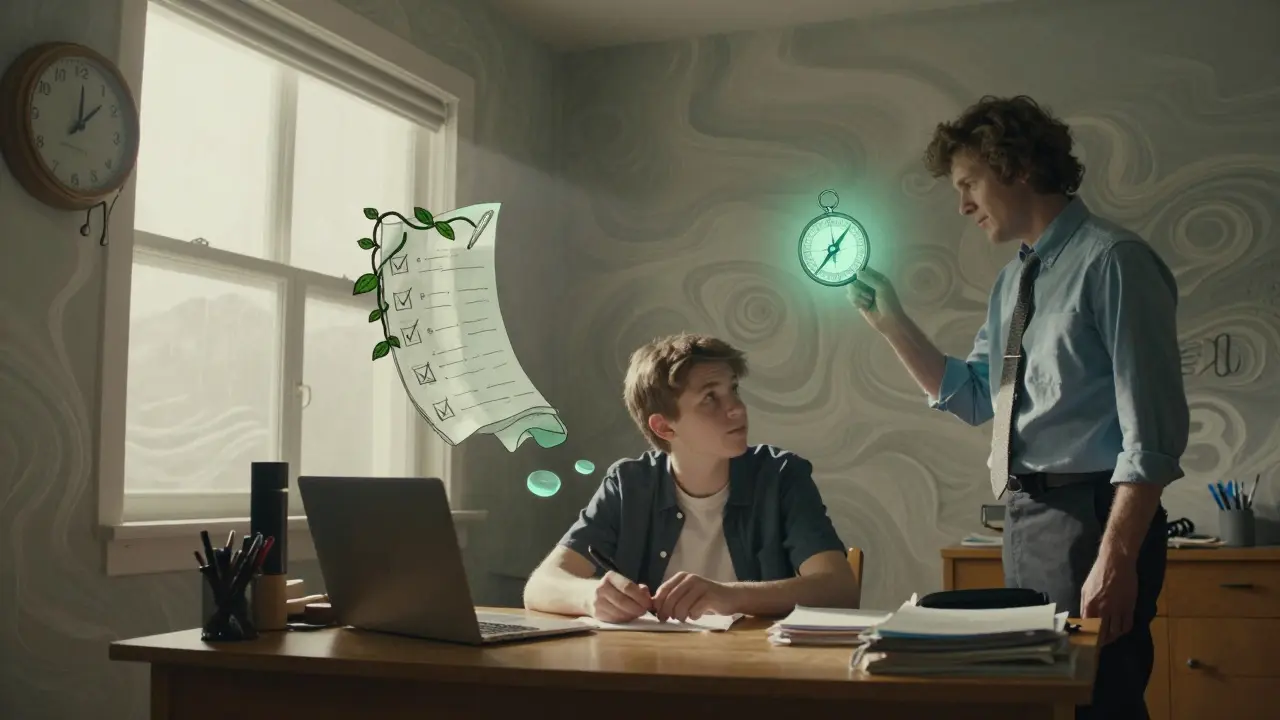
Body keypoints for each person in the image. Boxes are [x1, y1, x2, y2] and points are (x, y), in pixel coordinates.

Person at [846, 95, 1187, 719]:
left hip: (1095, 516)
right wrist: (891, 324)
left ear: (1019, 168)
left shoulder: (1113, 263)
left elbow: (1153, 436)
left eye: (969, 183)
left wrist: (1116, 557)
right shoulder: (1014, 281)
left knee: (1100, 703)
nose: (962, 204)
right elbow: (980, 398)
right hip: (1028, 516)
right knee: (1041, 702)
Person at [522, 333, 860, 624]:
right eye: (711, 397)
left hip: (759, 679)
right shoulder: (629, 485)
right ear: (665, 427)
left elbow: (839, 588)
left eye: (733, 389)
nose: (737, 408)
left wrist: (730, 596)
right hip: (650, 674)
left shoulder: (780, 476)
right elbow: (541, 585)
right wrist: (591, 596)